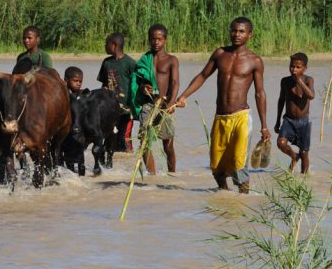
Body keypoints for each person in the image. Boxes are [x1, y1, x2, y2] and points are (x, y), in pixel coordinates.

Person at [176, 17, 270, 193]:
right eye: (233, 30)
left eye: (241, 31)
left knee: (239, 163)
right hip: (220, 118)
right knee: (216, 166)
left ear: (250, 35)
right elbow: (203, 76)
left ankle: (243, 200)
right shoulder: (220, 54)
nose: (236, 34)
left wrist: (264, 126)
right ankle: (224, 196)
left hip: (241, 117)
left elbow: (260, 93)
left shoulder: (254, 60)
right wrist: (183, 96)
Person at [130, 24, 179, 174]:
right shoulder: (144, 60)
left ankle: (172, 174)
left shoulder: (171, 60)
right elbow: (137, 82)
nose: (156, 42)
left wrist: (171, 104)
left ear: (165, 40)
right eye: (153, 39)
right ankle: (152, 176)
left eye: (159, 39)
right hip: (148, 105)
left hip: (165, 106)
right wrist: (143, 87)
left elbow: (175, 83)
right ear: (149, 40)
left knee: (168, 145)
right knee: (145, 142)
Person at [274, 52, 314, 173]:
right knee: (281, 143)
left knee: (304, 152)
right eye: (292, 66)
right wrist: (277, 121)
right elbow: (281, 100)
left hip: (303, 122)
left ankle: (304, 178)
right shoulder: (285, 81)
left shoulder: (308, 80)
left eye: (298, 67)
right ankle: (293, 156)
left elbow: (311, 95)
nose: (294, 69)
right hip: (289, 120)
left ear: (305, 68)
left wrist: (299, 81)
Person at [97, 32, 136, 152]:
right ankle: (112, 168)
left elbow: (136, 86)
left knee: (125, 139)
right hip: (110, 109)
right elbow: (104, 85)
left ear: (114, 45)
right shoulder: (106, 63)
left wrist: (133, 107)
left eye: (106, 44)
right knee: (109, 138)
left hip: (126, 110)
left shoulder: (130, 63)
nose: (105, 46)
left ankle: (127, 165)